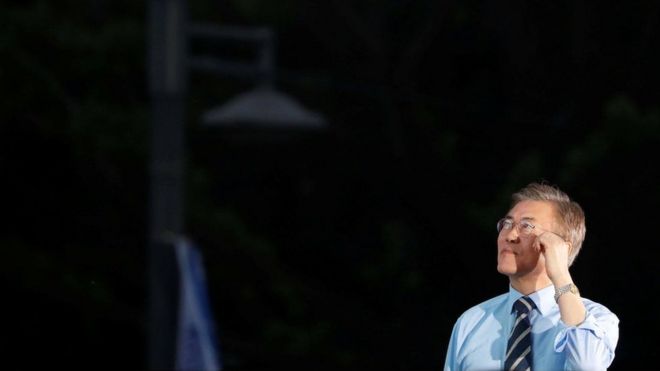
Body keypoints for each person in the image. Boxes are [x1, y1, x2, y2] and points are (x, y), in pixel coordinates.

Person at [444, 182, 619, 370]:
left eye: (526, 226)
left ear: (562, 248)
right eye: (507, 223)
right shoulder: (471, 322)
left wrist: (560, 273)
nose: (509, 235)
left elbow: (586, 366)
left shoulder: (596, 318)